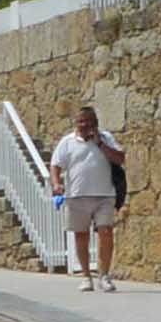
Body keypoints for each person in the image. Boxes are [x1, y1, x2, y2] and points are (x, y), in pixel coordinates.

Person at [47, 103, 125, 292]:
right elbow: (55, 165)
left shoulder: (106, 138)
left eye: (89, 121)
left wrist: (99, 143)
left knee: (106, 233)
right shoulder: (67, 142)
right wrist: (57, 184)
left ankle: (104, 275)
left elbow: (119, 158)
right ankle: (86, 276)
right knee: (81, 236)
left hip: (104, 194)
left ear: (96, 123)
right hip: (76, 195)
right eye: (81, 121)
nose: (84, 125)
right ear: (76, 123)